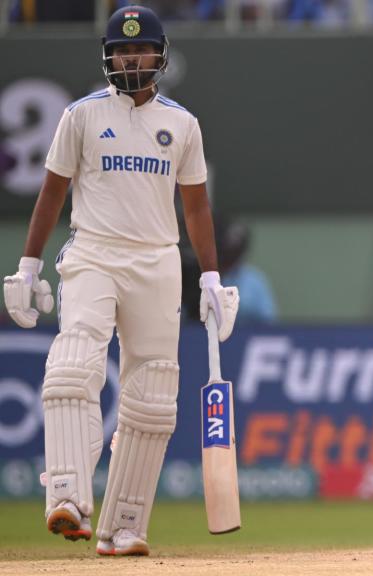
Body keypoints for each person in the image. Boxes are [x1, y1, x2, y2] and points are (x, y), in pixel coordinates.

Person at [1, 6, 239, 556]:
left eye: (141, 49)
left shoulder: (182, 124)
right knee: (74, 364)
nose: (131, 57)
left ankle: (124, 525)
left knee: (154, 395)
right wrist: (29, 265)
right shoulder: (81, 116)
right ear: (109, 56)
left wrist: (209, 276)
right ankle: (66, 495)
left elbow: (197, 207)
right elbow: (52, 193)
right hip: (94, 253)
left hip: (156, 261)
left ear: (160, 55)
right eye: (122, 49)